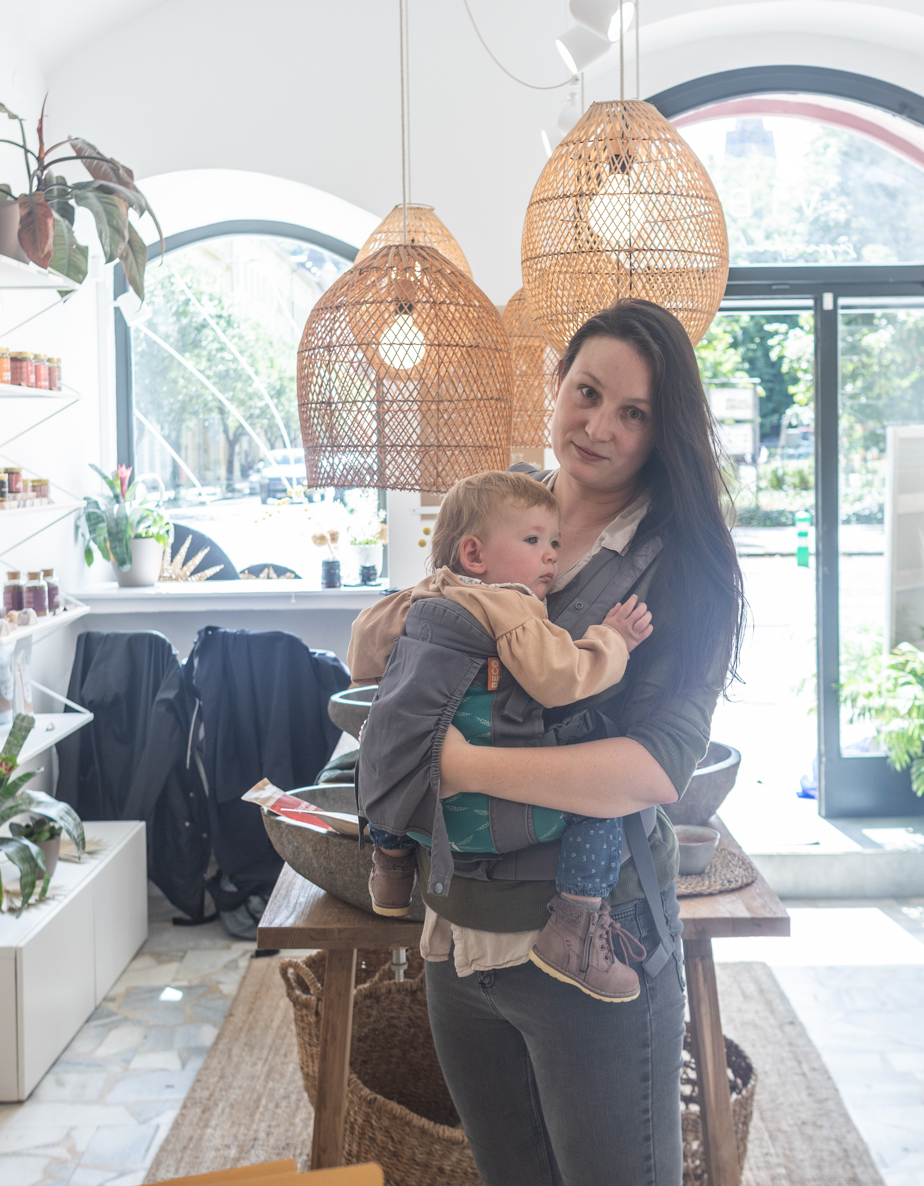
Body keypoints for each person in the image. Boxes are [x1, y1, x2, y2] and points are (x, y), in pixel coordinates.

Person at [354, 299, 746, 1186]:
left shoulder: (680, 569)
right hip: (460, 938)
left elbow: (652, 769)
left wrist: (456, 765)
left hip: (591, 946)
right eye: (587, 391)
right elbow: (403, 656)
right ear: (556, 384)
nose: (599, 426)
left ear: (663, 430)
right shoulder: (499, 517)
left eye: (633, 413)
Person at [349, 469, 657, 1000]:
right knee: (607, 798)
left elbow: (360, 650)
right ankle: (577, 925)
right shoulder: (509, 605)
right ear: (475, 556)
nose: (551, 557)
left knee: (388, 742)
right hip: (485, 814)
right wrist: (614, 642)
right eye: (534, 540)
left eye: (554, 542)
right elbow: (562, 679)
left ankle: (390, 864)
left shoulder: (420, 596)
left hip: (421, 815)